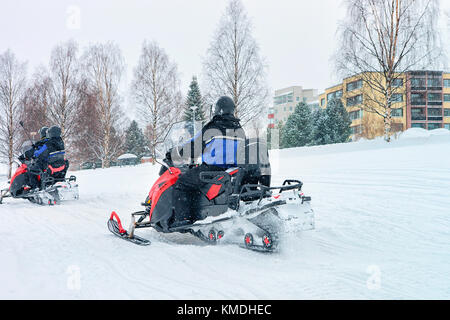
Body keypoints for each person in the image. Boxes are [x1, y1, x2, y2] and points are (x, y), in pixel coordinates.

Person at [167, 96, 246, 226]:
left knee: (182, 183)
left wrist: (174, 153)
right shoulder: (240, 129)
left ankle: (183, 219)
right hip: (234, 170)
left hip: (213, 169)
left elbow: (193, 146)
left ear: (218, 110)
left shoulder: (213, 126)